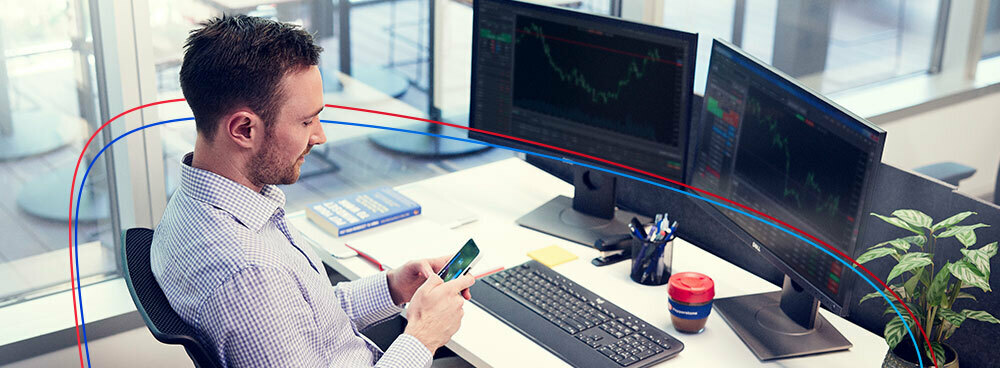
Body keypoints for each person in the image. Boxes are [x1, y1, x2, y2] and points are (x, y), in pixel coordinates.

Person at [150, 14, 474, 367]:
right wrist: (423, 336)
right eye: (306, 122)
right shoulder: (248, 275)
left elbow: (309, 321)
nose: (320, 136)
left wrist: (393, 287)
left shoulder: (195, 200)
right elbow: (274, 303)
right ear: (244, 129)